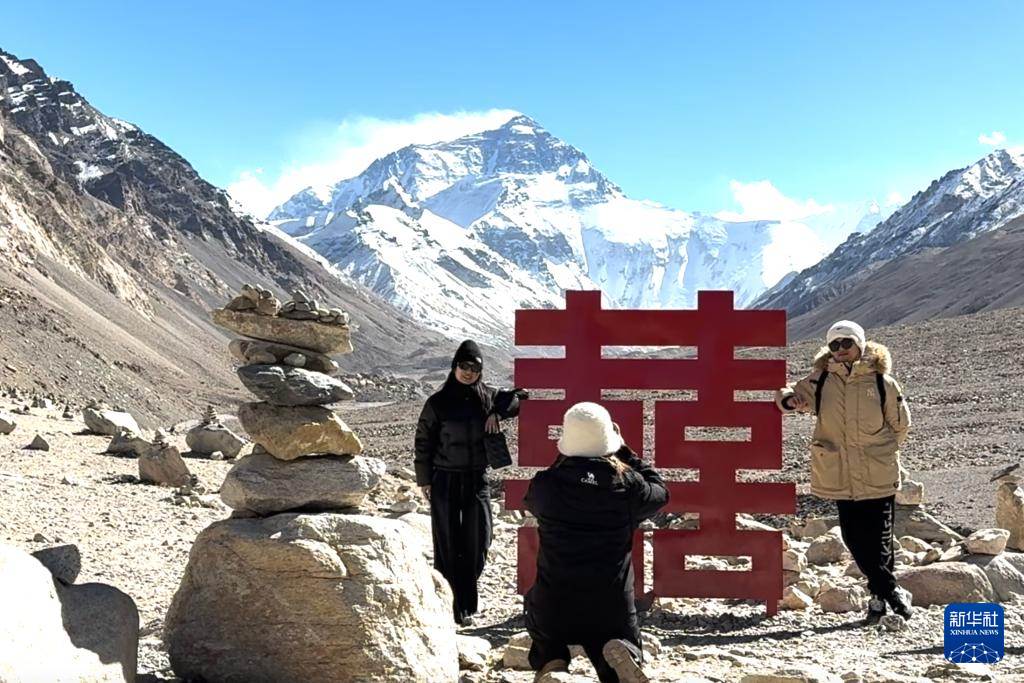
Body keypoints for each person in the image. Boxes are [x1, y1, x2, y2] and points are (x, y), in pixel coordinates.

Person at [775, 320, 913, 624]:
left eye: (846, 343)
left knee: (880, 540)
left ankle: (879, 598)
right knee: (854, 538)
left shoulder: (882, 382)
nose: (840, 349)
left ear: (860, 344)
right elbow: (789, 394)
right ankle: (892, 590)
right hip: (840, 473)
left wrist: (880, 451)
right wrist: (788, 399)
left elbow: (900, 426)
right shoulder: (821, 379)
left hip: (877, 473)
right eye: (834, 344)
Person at [523, 402, 668, 683]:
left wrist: (567, 456)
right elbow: (661, 491)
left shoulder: (546, 485)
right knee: (613, 638)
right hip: (609, 602)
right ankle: (619, 656)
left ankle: (552, 661)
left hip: (555, 601)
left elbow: (533, 500)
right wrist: (625, 451)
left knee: (539, 614)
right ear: (608, 440)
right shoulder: (629, 486)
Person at [414, 339, 520, 626]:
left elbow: (518, 397)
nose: (468, 372)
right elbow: (423, 442)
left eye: (474, 367)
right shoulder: (437, 402)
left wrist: (497, 412)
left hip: (476, 479)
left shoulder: (488, 397)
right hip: (444, 479)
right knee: (447, 543)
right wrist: (424, 480)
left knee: (480, 539)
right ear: (454, 366)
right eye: (464, 365)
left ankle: (466, 599)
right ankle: (454, 608)